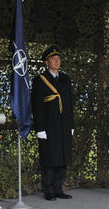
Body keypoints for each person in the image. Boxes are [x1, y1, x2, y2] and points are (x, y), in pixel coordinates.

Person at [32, 45, 74, 201]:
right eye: (53, 59)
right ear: (46, 62)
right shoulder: (40, 80)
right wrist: (40, 128)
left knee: (63, 157)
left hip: (63, 126)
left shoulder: (65, 79)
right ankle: (48, 189)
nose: (57, 61)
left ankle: (58, 188)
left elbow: (69, 105)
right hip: (49, 126)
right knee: (49, 159)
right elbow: (37, 106)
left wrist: (71, 125)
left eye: (58, 58)